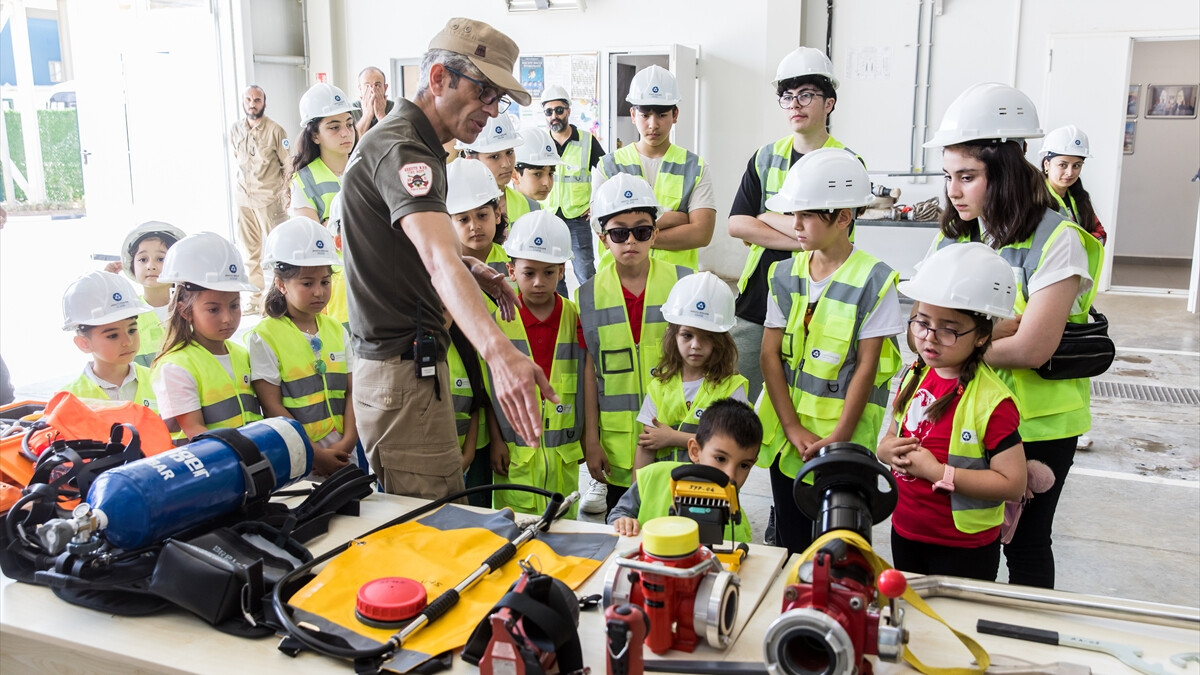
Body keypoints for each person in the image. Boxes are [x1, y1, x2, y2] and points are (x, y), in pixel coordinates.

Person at [338, 17, 552, 500]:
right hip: (401, 374)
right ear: (438, 79)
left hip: (405, 371)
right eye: (484, 92)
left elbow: (409, 247)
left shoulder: (413, 144)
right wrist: (501, 355)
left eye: (498, 99)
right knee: (431, 527)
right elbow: (437, 258)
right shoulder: (405, 150)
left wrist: (472, 268)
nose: (491, 111)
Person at [923, 82, 1104, 589]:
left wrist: (959, 342)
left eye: (967, 177)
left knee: (1026, 543)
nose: (953, 191)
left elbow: (1032, 347)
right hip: (967, 411)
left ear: (1003, 172)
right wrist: (983, 334)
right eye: (948, 176)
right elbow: (922, 325)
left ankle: (1029, 633)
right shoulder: (955, 235)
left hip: (1039, 424)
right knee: (964, 533)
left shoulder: (1058, 240)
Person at [756, 148, 904, 557]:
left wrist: (837, 437)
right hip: (789, 440)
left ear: (843, 217)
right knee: (791, 546)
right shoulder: (784, 274)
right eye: (793, 213)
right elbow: (770, 357)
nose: (795, 225)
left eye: (806, 215)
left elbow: (867, 368)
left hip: (844, 444)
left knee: (839, 551)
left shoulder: (874, 280)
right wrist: (792, 428)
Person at [878, 243, 1026, 581]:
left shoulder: (993, 402)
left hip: (963, 546)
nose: (930, 338)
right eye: (922, 323)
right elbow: (891, 435)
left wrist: (938, 473)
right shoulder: (916, 374)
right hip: (906, 528)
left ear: (982, 335)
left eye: (948, 329)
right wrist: (885, 450)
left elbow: (1012, 484)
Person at [729, 47, 859, 402]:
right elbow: (737, 224)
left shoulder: (847, 163)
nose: (795, 104)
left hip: (821, 298)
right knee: (737, 400)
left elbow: (840, 234)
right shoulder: (765, 157)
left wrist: (766, 217)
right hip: (759, 297)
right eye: (787, 96)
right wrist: (809, 236)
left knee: (808, 398)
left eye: (806, 94)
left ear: (829, 103)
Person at [577, 174, 692, 515]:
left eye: (641, 231)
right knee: (623, 526)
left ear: (655, 234)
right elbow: (589, 371)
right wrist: (592, 440)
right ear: (603, 238)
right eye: (619, 233)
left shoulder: (682, 283)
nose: (631, 241)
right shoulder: (587, 296)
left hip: (674, 440)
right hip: (617, 447)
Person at [487, 211, 593, 518]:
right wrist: (496, 440)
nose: (538, 282)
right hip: (515, 461)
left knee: (564, 531)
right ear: (511, 270)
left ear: (562, 271)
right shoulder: (499, 322)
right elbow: (489, 389)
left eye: (548, 273)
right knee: (512, 530)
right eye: (528, 273)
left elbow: (586, 383)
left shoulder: (575, 317)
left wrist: (588, 438)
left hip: (563, 460)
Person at [246, 217, 360, 478]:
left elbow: (352, 392)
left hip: (344, 453)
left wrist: (348, 441)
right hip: (300, 457)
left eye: (325, 282)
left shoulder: (336, 330)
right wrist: (315, 454)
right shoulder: (265, 336)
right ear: (281, 284)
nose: (319, 292)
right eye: (307, 283)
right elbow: (272, 407)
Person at [593, 65, 715, 271]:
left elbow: (702, 234)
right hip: (619, 281)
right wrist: (676, 218)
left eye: (662, 115)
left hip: (676, 281)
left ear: (675, 114)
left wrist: (630, 232)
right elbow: (601, 228)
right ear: (633, 115)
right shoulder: (608, 166)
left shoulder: (695, 167)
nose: (653, 124)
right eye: (645, 115)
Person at [152, 233, 263, 441]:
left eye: (234, 306)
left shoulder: (241, 354)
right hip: (213, 459)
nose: (227, 318)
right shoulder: (176, 366)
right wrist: (246, 452)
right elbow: (194, 430)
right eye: (213, 310)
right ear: (185, 311)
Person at [634, 271, 748, 472]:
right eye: (687, 335)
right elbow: (647, 446)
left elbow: (734, 444)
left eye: (707, 337)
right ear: (673, 335)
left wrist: (673, 438)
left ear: (720, 340)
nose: (696, 345)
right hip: (663, 488)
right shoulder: (659, 387)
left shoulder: (732, 388)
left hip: (711, 488)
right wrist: (637, 491)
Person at [610, 398, 762, 542]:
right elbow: (618, 514)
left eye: (744, 465)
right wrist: (624, 522)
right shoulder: (652, 477)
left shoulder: (737, 522)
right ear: (695, 451)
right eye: (720, 459)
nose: (730, 475)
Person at [231, 85, 291, 315]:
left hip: (269, 199)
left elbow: (288, 165)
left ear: (264, 103)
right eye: (248, 99)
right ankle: (255, 299)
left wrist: (286, 194)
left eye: (257, 100)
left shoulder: (276, 131)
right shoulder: (236, 129)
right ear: (243, 102)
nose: (252, 104)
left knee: (279, 251)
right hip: (244, 199)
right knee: (249, 252)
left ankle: (279, 299)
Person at [59, 271, 157, 410]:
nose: (128, 341)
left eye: (132, 330)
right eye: (113, 335)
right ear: (84, 343)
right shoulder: (69, 399)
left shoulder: (158, 380)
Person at [541, 85, 605, 286]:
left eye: (559, 110)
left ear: (568, 111)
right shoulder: (541, 142)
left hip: (577, 218)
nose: (554, 116)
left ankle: (591, 306)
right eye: (549, 112)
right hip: (548, 217)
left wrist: (596, 204)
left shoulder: (587, 141)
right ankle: (561, 307)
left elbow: (607, 173)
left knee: (585, 273)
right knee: (551, 273)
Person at [112, 221, 186, 367]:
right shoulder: (126, 311)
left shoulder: (191, 308)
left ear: (177, 264)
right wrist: (108, 284)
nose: (150, 266)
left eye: (160, 259)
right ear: (132, 265)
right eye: (143, 259)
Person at [290, 83, 358, 225]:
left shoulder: (366, 169)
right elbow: (312, 235)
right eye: (334, 127)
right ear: (315, 136)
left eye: (349, 124)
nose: (346, 133)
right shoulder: (303, 181)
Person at [459, 113, 540, 226]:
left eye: (509, 152)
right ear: (471, 161)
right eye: (494, 156)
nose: (507, 164)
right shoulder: (456, 208)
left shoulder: (531, 207)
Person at [1040, 125, 1105, 244]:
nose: (1070, 173)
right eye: (1063, 165)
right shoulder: (1035, 198)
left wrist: (1077, 244)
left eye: (1076, 165)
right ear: (1047, 164)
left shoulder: (1079, 197)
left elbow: (1100, 233)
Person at [351, 66, 395, 137]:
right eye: (367, 86)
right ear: (360, 88)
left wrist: (381, 114)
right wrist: (367, 115)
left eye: (377, 85)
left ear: (385, 88)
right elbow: (354, 140)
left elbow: (395, 138)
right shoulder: (352, 109)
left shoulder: (395, 108)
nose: (372, 90)